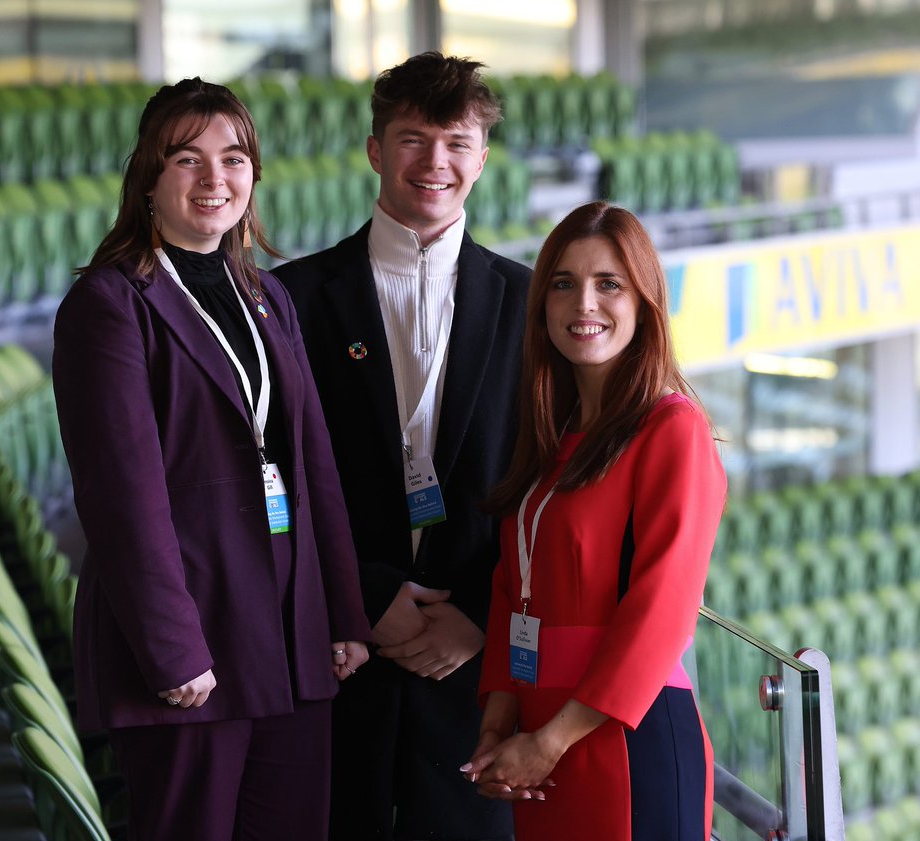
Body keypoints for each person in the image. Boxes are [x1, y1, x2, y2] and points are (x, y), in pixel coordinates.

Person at [51, 77, 370, 841]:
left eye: (233, 158)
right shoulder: (110, 303)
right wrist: (172, 649)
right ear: (149, 180)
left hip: (287, 638)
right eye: (186, 159)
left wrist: (342, 614)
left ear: (254, 173)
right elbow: (121, 496)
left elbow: (311, 462)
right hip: (191, 653)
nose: (214, 178)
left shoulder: (264, 294)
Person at [273, 52, 529, 840]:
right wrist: (360, 594)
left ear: (482, 159)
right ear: (376, 150)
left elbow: (551, 484)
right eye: (414, 139)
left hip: (478, 679)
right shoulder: (292, 297)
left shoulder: (531, 299)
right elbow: (271, 480)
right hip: (336, 657)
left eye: (456, 142)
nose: (436, 162)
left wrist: (485, 619)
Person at [461, 201, 726, 841]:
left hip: (621, 733)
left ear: (644, 301)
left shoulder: (673, 428)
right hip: (537, 732)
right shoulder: (556, 435)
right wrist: (501, 723)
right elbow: (512, 587)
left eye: (609, 284)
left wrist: (550, 741)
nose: (584, 304)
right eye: (563, 284)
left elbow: (663, 610)